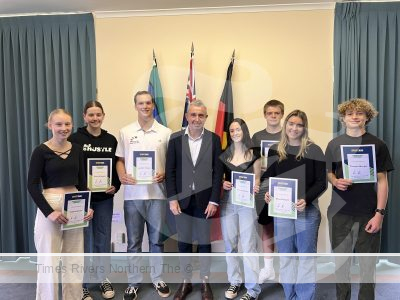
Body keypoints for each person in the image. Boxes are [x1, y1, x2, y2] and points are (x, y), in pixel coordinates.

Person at [325, 98, 394, 300]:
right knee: (341, 265)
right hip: (339, 213)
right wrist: (335, 181)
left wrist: (379, 214)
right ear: (343, 119)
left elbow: (383, 181)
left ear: (367, 117)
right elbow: (328, 173)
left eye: (360, 113)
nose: (354, 117)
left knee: (367, 267)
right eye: (350, 114)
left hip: (368, 213)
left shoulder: (378, 145)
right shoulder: (334, 144)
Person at [27, 108, 93, 300]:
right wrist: (49, 212)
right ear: (49, 126)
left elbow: (82, 182)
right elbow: (32, 185)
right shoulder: (40, 151)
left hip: (75, 204)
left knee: (74, 259)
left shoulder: (78, 150)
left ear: (72, 125)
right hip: (50, 205)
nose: (63, 128)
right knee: (49, 259)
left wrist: (87, 206)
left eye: (67, 124)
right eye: (58, 124)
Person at [263, 109, 326, 300]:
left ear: (304, 127)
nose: (294, 128)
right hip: (282, 213)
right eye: (291, 123)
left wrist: (305, 199)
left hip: (306, 212)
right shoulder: (276, 149)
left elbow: (321, 182)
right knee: (286, 258)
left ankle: (305, 297)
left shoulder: (313, 150)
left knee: (306, 259)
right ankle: (290, 296)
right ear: (285, 125)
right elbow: (270, 178)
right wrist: (268, 194)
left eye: (299, 125)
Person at [116, 91, 172, 300]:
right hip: (133, 195)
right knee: (133, 241)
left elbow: (171, 163)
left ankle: (158, 278)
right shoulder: (125, 131)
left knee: (157, 240)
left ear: (153, 105)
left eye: (148, 103)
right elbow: (119, 160)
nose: (145, 106)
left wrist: (165, 173)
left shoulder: (165, 132)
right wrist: (122, 176)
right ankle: (134, 282)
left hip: (158, 195)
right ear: (135, 105)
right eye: (141, 103)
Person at [166, 100, 223, 300]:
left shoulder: (214, 140)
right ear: (187, 116)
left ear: (206, 118)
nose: (197, 119)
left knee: (205, 243)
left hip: (205, 202)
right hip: (181, 202)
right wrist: (172, 199)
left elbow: (218, 173)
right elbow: (170, 172)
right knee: (184, 243)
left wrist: (214, 200)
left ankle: (205, 282)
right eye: (193, 115)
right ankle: (185, 281)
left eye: (201, 115)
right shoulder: (174, 139)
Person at [69, 100, 121, 300]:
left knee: (102, 239)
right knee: (81, 242)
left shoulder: (111, 140)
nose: (95, 118)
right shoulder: (75, 139)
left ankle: (103, 277)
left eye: (98, 114)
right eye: (91, 115)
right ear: (84, 117)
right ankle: (81, 284)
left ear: (103, 115)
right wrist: (81, 188)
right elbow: (72, 168)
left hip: (104, 200)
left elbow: (116, 167)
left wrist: (115, 185)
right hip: (81, 199)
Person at [220, 118, 261, 300]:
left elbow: (258, 178)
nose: (235, 133)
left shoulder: (254, 153)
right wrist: (224, 183)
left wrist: (256, 186)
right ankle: (235, 281)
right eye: (232, 130)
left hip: (247, 203)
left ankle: (252, 289)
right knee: (230, 245)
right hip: (228, 202)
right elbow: (219, 178)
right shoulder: (224, 154)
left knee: (249, 246)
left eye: (238, 129)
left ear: (244, 130)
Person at [251, 99, 285, 283]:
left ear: (281, 115)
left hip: (285, 188)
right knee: (267, 226)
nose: (273, 116)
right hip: (264, 187)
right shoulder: (257, 137)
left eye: (277, 113)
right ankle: (269, 268)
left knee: (285, 229)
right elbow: (252, 162)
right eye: (270, 113)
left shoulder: (288, 134)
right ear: (265, 115)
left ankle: (283, 269)